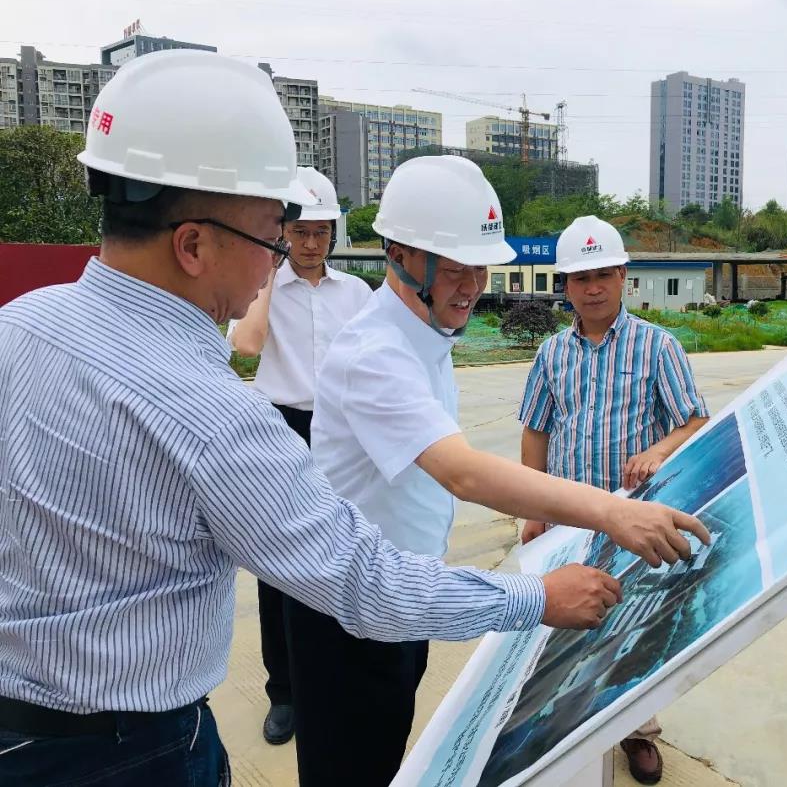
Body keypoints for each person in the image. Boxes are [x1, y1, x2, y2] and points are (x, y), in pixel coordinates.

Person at [0, 52, 627, 787]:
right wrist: (538, 597)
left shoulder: (20, 325)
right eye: (272, 237)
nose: (278, 263)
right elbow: (364, 583)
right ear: (193, 244)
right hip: (132, 754)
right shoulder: (212, 416)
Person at [305, 155, 710, 787]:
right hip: (353, 611)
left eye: (480, 267)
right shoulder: (375, 354)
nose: (472, 285)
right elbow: (465, 473)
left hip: (402, 593)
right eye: (456, 267)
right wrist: (611, 511)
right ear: (400, 255)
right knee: (354, 764)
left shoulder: (427, 333)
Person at [518, 215, 711, 785]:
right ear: (566, 285)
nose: (593, 288)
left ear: (624, 276)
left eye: (603, 275)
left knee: (631, 627)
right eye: (581, 278)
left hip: (633, 520)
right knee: (563, 624)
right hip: (567, 519)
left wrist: (658, 450)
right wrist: (533, 507)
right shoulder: (552, 353)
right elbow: (536, 430)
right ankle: (565, 727)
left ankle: (637, 730)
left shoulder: (658, 346)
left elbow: (694, 420)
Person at [226, 165, 371, 745]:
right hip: (281, 429)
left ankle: (336, 673)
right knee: (277, 567)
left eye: (320, 232)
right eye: (300, 231)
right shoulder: (262, 286)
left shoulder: (355, 293)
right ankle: (284, 691)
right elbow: (246, 344)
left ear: (333, 233)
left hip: (340, 430)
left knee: (345, 549)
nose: (310, 244)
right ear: (282, 230)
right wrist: (269, 271)